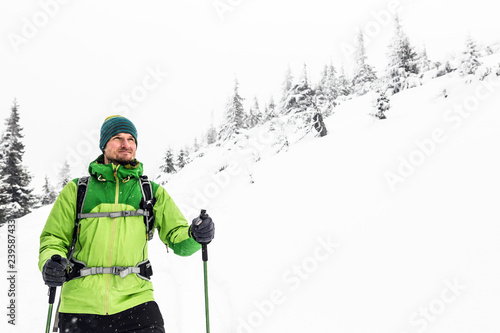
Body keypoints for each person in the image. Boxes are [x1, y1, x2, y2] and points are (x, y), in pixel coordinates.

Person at [39, 115, 215, 333]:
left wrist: (196, 235)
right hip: (80, 305)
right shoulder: (77, 191)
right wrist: (51, 261)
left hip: (136, 301)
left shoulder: (151, 192)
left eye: (131, 139)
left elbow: (178, 239)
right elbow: (53, 239)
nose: (126, 144)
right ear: (104, 145)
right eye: (117, 138)